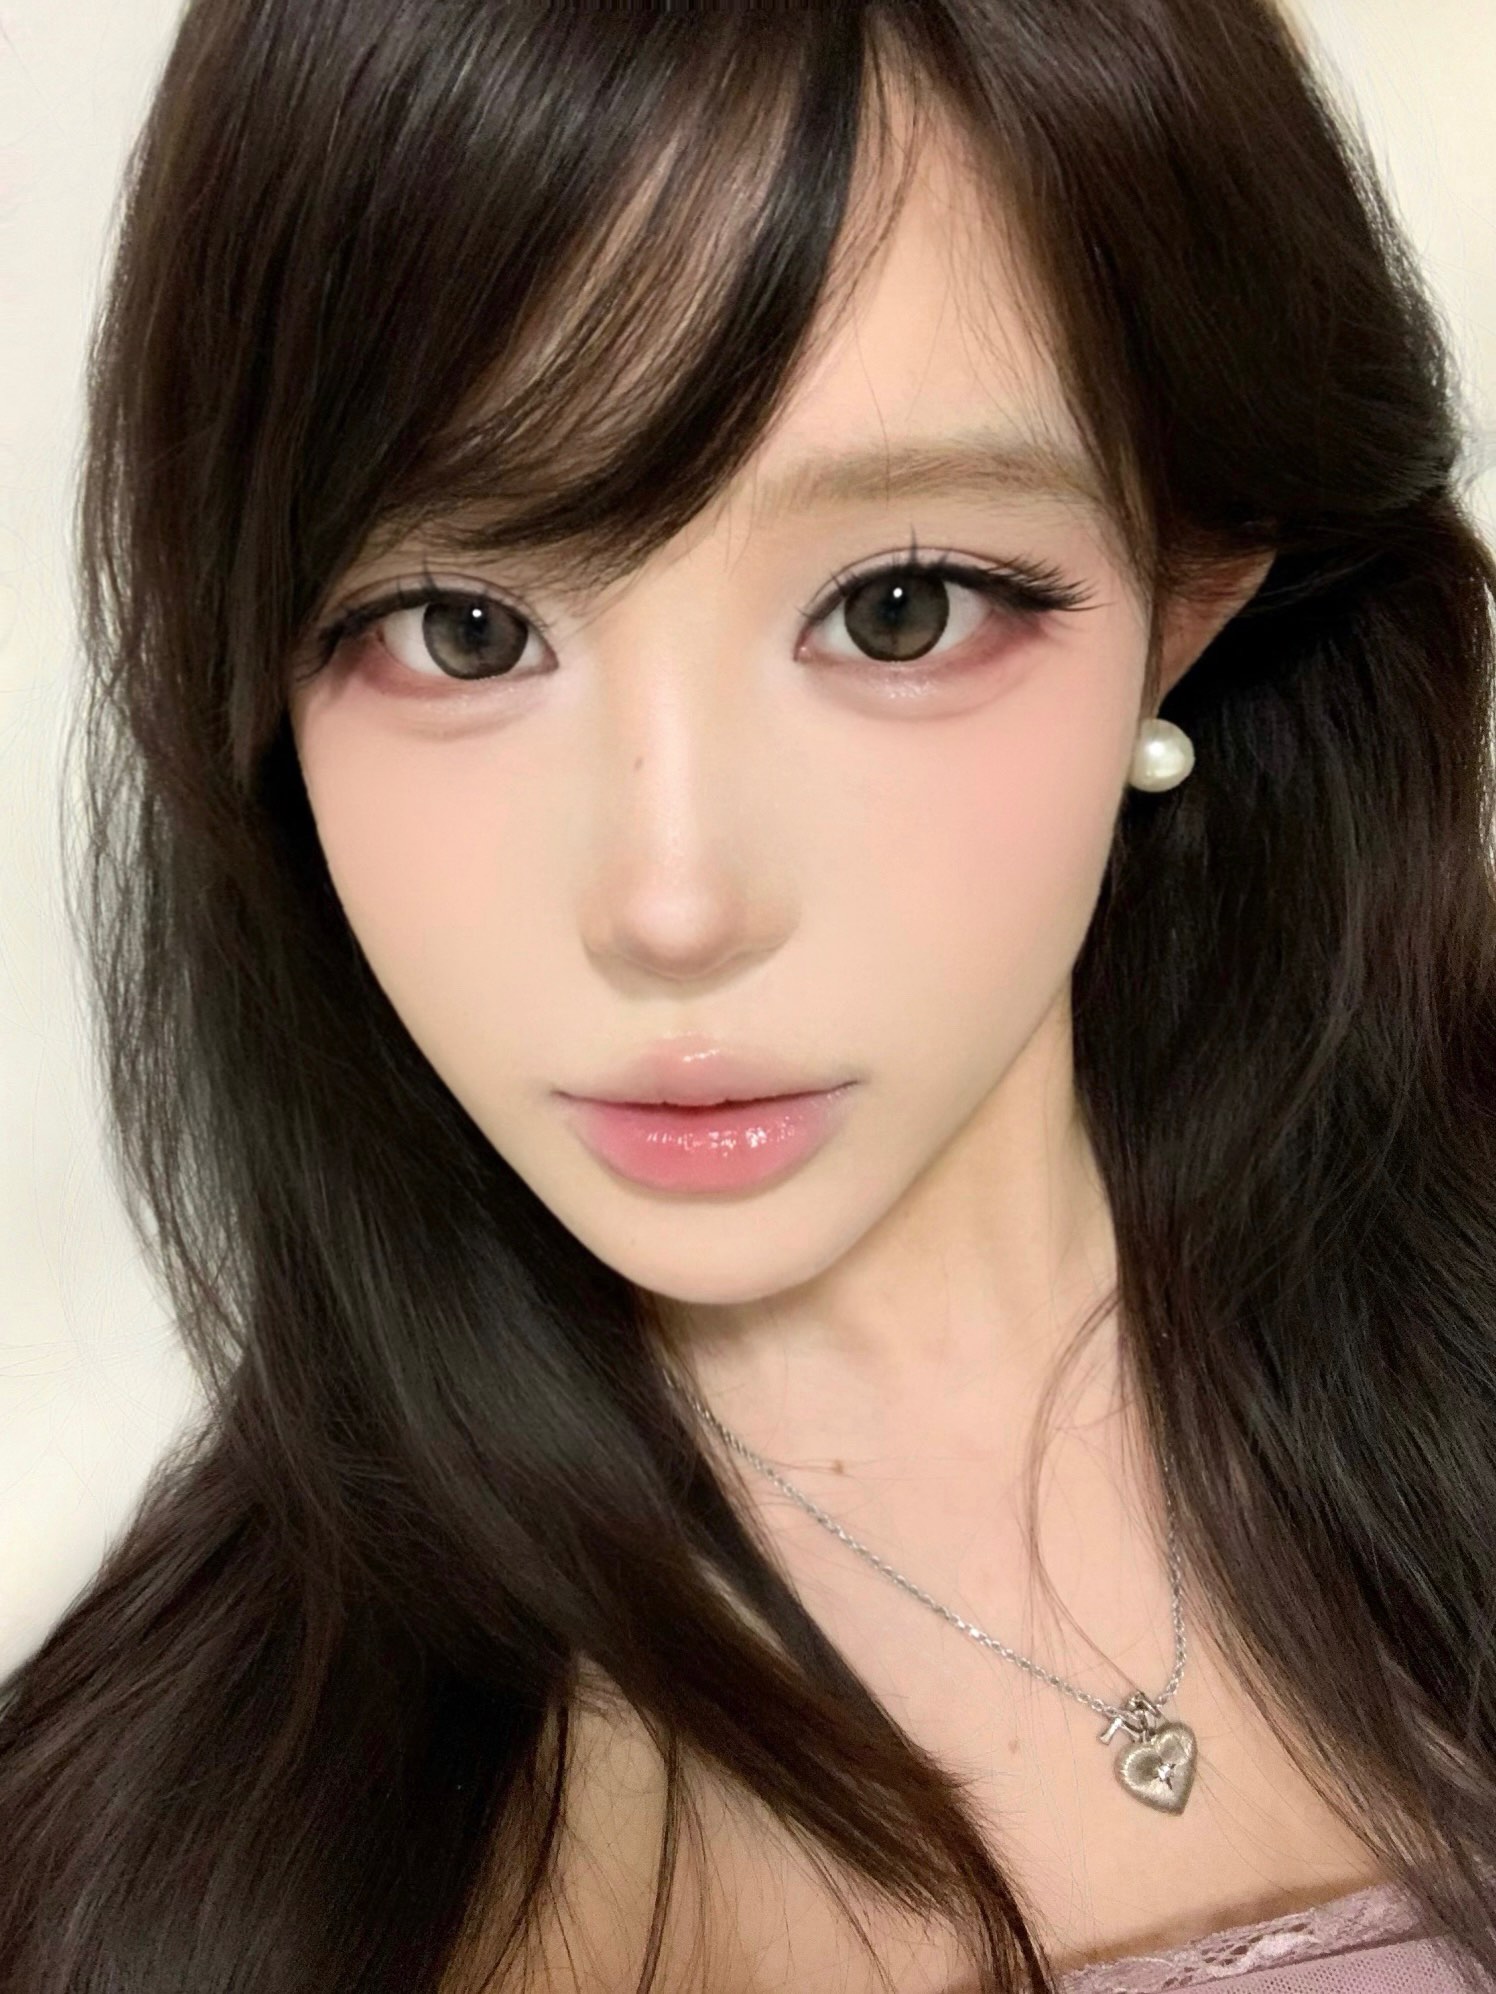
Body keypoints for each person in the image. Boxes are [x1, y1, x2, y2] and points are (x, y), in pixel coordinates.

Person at [1, 3, 1493, 1990]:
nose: (673, 903)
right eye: (465, 628)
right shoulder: (163, 1884)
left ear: (1189, 591)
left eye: (898, 607)